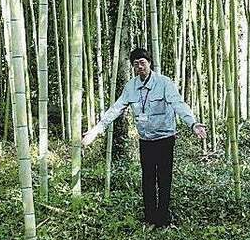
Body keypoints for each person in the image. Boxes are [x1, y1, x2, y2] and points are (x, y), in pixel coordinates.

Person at [82, 47, 207, 227]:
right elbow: (116, 109)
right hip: (146, 140)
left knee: (164, 179)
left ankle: (162, 218)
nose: (139, 67)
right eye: (135, 64)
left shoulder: (164, 83)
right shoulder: (131, 87)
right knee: (147, 179)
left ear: (149, 63)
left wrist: (193, 123)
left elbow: (178, 104)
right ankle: (149, 218)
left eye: (142, 62)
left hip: (165, 139)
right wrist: (97, 129)